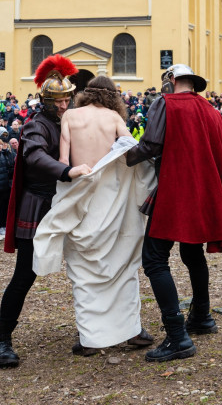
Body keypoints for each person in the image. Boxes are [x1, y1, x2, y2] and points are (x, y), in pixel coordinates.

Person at [126, 64, 222, 363]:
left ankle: (177, 337)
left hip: (178, 190)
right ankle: (202, 316)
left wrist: (125, 155)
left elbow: (151, 144)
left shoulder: (166, 103)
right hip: (205, 191)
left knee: (153, 258)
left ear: (172, 81)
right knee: (192, 253)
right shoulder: (213, 111)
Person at [35, 76, 155, 355]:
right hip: (111, 200)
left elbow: (64, 163)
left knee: (83, 270)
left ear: (85, 94)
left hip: (81, 195)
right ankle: (132, 330)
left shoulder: (71, 116)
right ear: (113, 97)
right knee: (121, 265)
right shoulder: (114, 117)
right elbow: (132, 153)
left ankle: (90, 338)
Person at [0, 55, 92, 368]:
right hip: (39, 204)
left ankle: (94, 331)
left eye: (67, 100)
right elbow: (34, 157)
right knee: (24, 276)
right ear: (44, 101)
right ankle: (3, 341)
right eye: (57, 101)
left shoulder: (74, 120)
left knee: (88, 269)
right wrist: (67, 171)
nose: (63, 106)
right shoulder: (36, 126)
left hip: (71, 203)